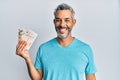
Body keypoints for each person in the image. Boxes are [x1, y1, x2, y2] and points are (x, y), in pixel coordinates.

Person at [16, 3, 97, 80]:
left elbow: (91, 78)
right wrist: (27, 59)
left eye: (67, 20)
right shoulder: (43, 48)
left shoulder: (85, 49)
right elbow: (37, 78)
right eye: (58, 20)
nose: (62, 24)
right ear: (54, 22)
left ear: (73, 22)